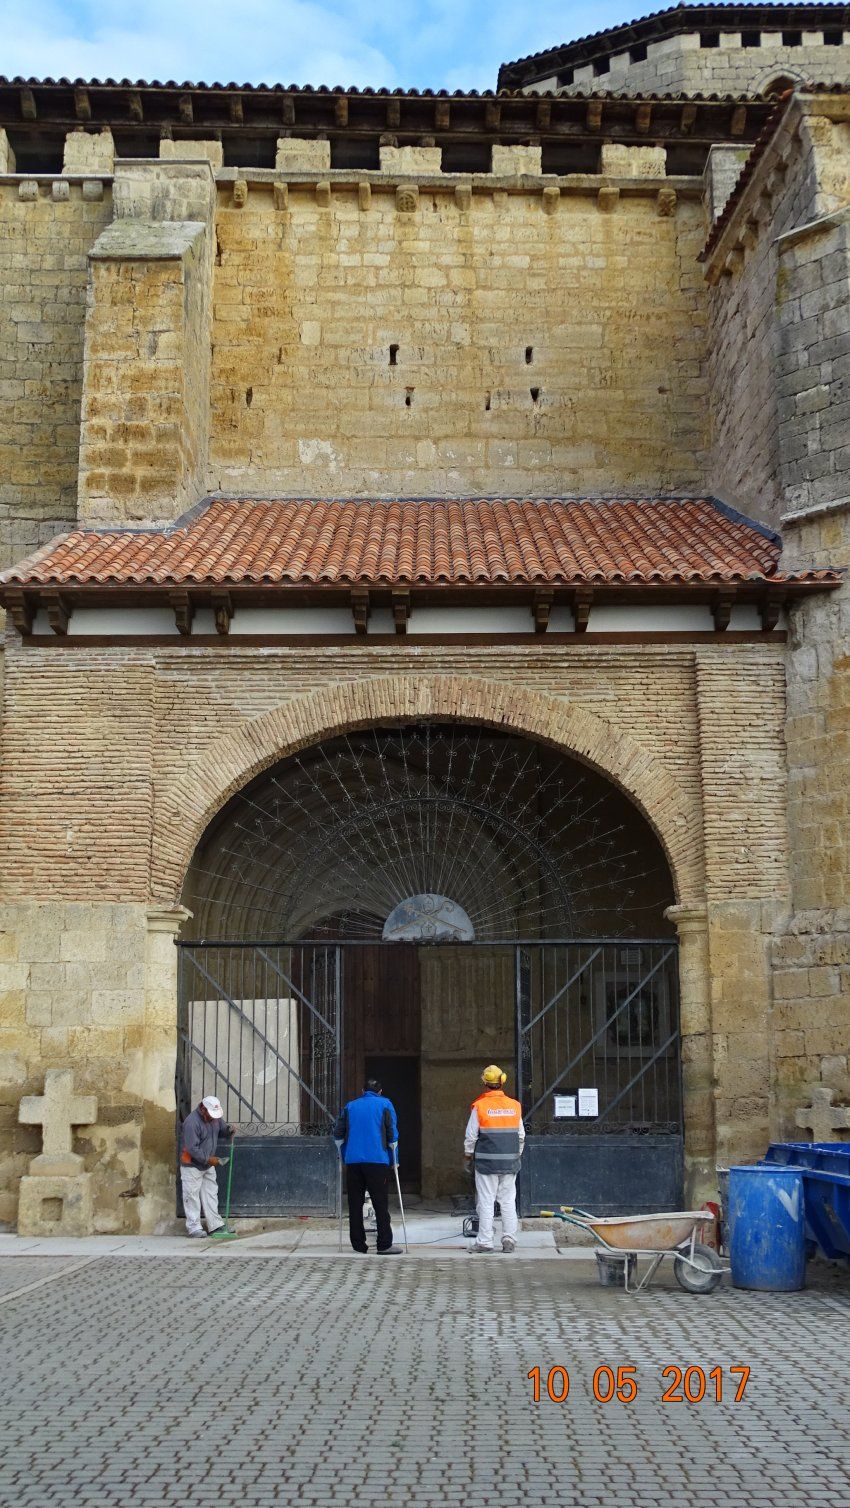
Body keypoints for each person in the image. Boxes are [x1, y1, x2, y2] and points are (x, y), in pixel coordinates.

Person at [335, 1078, 403, 1255]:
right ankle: (384, 1244)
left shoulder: (350, 1106)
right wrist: (394, 1159)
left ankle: (358, 1245)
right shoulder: (385, 1104)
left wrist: (344, 1155)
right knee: (380, 1203)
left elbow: (338, 1134)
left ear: (362, 1090)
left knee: (355, 1203)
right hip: (377, 1160)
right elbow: (392, 1135)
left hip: (354, 1161)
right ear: (380, 1092)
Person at [464, 1064, 525, 1254]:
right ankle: (509, 1240)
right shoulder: (515, 1106)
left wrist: (467, 1156)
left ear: (485, 1083)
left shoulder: (480, 1106)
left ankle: (485, 1242)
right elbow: (521, 1136)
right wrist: (516, 1154)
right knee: (507, 1201)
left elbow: (471, 1136)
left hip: (486, 1164)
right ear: (502, 1081)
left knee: (486, 1201)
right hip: (510, 1162)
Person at [180, 1094, 234, 1238]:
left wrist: (228, 1130)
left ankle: (215, 1225)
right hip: (191, 1165)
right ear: (203, 1109)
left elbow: (222, 1129)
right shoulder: (192, 1122)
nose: (213, 1118)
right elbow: (192, 1148)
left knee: (211, 1194)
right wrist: (209, 1160)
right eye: (210, 1115)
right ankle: (194, 1228)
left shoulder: (214, 1118)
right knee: (191, 1196)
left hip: (208, 1164)